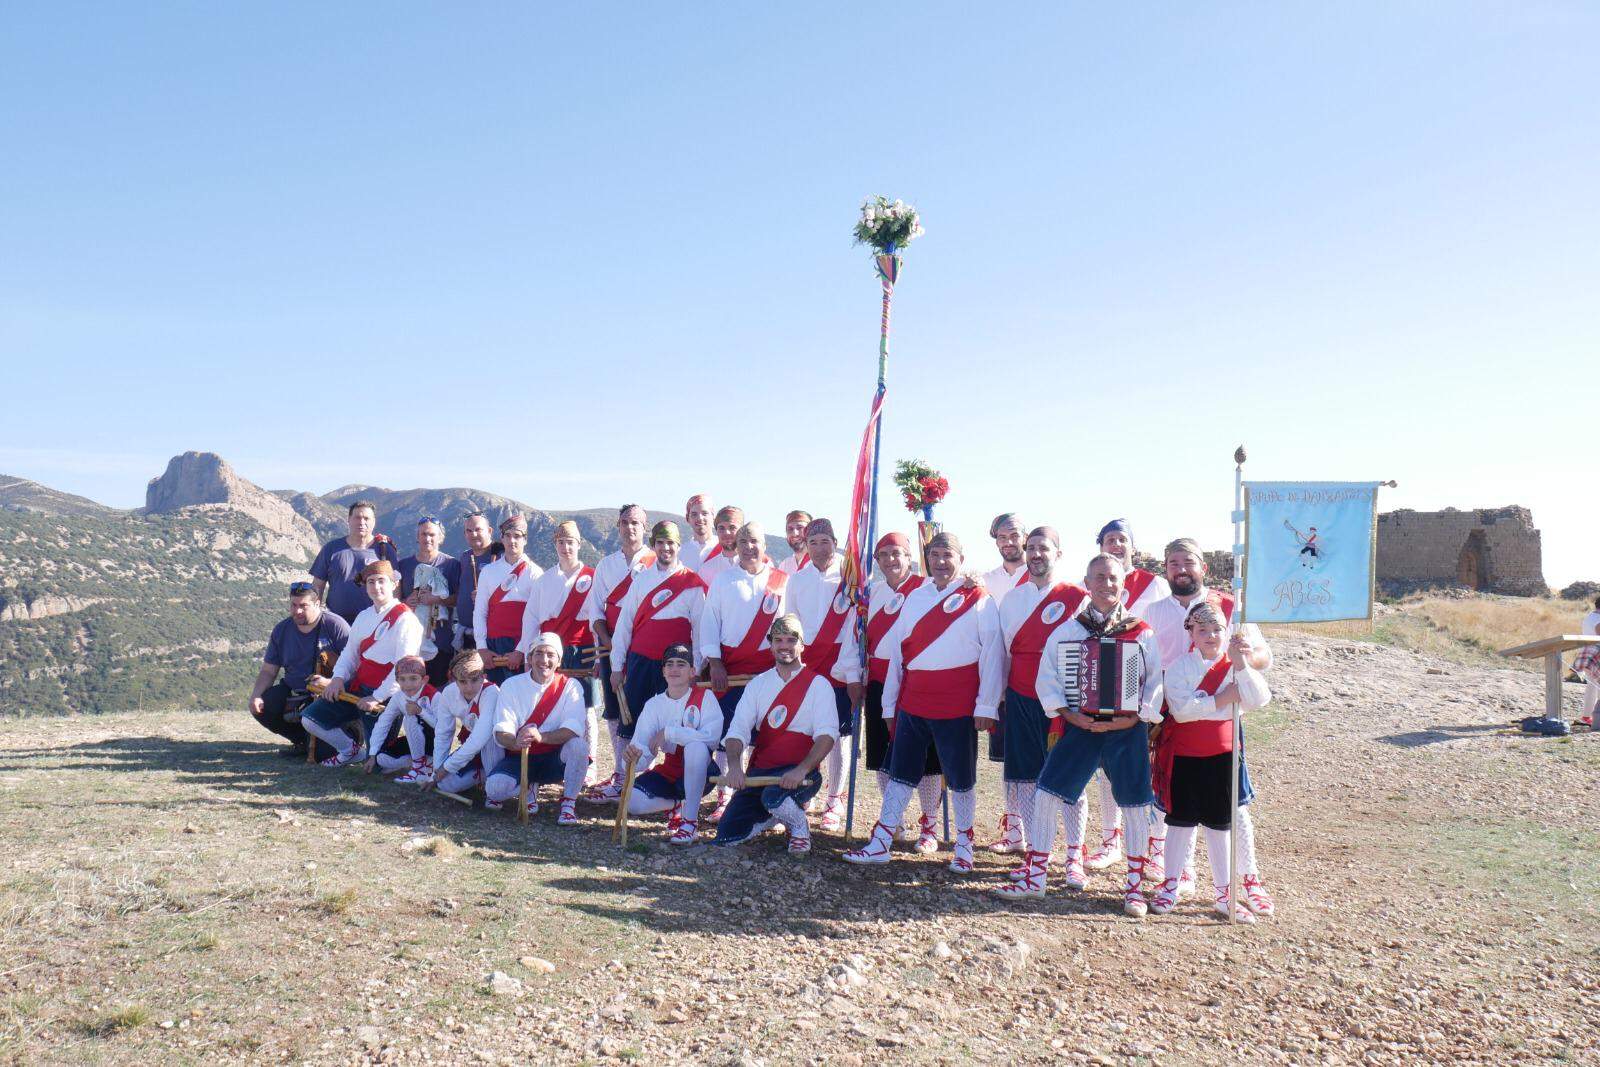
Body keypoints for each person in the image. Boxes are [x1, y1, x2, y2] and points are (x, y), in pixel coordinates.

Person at [990, 554, 1162, 915]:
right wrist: (1069, 713)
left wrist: (1134, 720)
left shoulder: (1140, 631)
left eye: (1113, 578)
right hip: (1081, 726)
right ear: (1087, 582)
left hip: (1125, 730)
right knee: (1048, 793)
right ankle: (1036, 877)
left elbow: (1154, 682)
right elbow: (1047, 678)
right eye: (1099, 577)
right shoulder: (1070, 630)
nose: (1106, 584)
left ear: (1123, 584)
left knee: (1133, 803)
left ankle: (1133, 888)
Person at [844, 532, 1003, 873]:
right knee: (900, 772)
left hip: (957, 704)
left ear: (960, 558)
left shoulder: (978, 597)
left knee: (961, 778)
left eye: (948, 554)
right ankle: (882, 841)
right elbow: (899, 656)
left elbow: (992, 655)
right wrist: (890, 705)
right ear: (926, 560)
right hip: (914, 702)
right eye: (935, 555)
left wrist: (986, 705)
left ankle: (964, 845)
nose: (941, 562)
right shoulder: (916, 597)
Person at [1142, 537, 1275, 915]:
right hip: (1178, 727)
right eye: (1173, 563)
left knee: (1232, 812)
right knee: (1177, 812)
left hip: (1224, 736)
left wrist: (1242, 661)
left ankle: (1242, 882)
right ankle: (1177, 878)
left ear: (1203, 567)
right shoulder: (1153, 611)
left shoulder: (1231, 607)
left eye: (1188, 562)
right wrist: (1216, 699)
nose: (1181, 569)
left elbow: (1261, 669)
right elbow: (1164, 683)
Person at [995, 527, 1087, 867]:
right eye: (1030, 547)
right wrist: (996, 698)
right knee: (1026, 776)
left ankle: (1075, 853)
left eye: (1043, 548)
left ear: (1058, 553)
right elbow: (1001, 653)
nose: (1036, 554)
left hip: (1064, 704)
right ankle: (1037, 852)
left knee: (1069, 775)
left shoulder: (1078, 597)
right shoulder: (1012, 599)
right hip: (1020, 697)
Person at [1084, 518, 1172, 869]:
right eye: (1109, 539)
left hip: (1147, 683)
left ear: (1132, 546)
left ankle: (1155, 846)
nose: (1116, 545)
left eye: (1122, 539)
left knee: (1148, 770)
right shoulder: (1091, 581)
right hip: (1106, 685)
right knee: (1107, 768)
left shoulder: (1155, 586)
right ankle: (1111, 839)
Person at [714, 614, 839, 855]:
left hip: (802, 773)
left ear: (802, 645)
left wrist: (801, 769)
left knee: (774, 797)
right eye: (778, 640)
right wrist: (735, 767)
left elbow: (827, 736)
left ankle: (798, 826)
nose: (784, 646)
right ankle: (775, 815)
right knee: (727, 834)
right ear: (770, 644)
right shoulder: (758, 684)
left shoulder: (819, 685)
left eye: (791, 640)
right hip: (760, 773)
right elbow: (736, 731)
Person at [698, 521, 789, 818]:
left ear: (765, 546)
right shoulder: (724, 581)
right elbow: (709, 623)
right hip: (731, 671)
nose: (750, 547)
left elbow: (789, 627)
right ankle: (725, 795)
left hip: (768, 673)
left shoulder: (781, 582)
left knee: (767, 736)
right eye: (744, 541)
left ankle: (766, 800)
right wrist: (715, 663)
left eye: (755, 541)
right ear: (735, 546)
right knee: (730, 734)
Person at [862, 532, 943, 854]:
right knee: (883, 755)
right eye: (883, 555)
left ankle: (930, 824)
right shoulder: (872, 594)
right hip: (881, 683)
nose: (890, 560)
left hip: (917, 683)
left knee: (928, 759)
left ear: (909, 557)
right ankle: (893, 820)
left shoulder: (927, 588)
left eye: (897, 553)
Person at [299, 560, 425, 767]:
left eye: (381, 581)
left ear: (393, 584)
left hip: (386, 697)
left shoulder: (407, 620)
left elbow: (403, 669)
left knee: (377, 764)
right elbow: (350, 654)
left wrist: (376, 697)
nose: (376, 587)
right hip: (358, 687)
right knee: (311, 719)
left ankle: (414, 760)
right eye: (371, 582)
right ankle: (349, 751)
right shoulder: (363, 616)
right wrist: (338, 679)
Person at [785, 518, 864, 830]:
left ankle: (836, 798)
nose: (819, 548)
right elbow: (790, 620)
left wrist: (853, 673)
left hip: (841, 665)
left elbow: (857, 626)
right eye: (813, 542)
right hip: (809, 664)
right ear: (807, 544)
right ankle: (808, 790)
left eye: (825, 542)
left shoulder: (852, 576)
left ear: (835, 542)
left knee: (840, 736)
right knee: (808, 731)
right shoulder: (798, 580)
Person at [609, 521, 708, 755]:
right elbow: (624, 624)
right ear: (653, 545)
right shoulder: (641, 580)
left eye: (671, 543)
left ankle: (673, 775)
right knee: (631, 717)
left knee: (676, 718)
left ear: (679, 546)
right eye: (660, 543)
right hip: (641, 660)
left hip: (678, 665)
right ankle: (624, 775)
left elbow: (701, 630)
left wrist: (697, 667)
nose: (666, 548)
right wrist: (616, 665)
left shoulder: (692, 583)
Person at [585, 504, 655, 799]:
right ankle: (618, 770)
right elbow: (595, 609)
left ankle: (642, 773)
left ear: (645, 527)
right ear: (618, 526)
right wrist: (607, 641)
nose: (630, 528)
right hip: (610, 646)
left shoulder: (655, 562)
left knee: (642, 709)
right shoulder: (606, 565)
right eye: (625, 522)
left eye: (636, 522)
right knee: (614, 711)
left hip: (642, 648)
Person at [484, 633, 590, 822]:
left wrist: (542, 737)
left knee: (579, 746)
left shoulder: (571, 686)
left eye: (551, 655)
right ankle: (528, 786)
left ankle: (568, 803)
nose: (544, 660)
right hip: (520, 756)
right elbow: (501, 729)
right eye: (538, 653)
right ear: (529, 658)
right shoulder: (512, 685)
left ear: (559, 661)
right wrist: (515, 742)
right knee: (495, 789)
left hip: (553, 758)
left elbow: (573, 728)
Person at [624, 643, 724, 844]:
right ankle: (676, 804)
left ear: (692, 671)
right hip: (669, 772)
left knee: (695, 748)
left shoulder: (705, 697)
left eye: (681, 664)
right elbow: (643, 745)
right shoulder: (654, 704)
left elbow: (711, 738)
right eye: (669, 664)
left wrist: (670, 733)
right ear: (663, 671)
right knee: (631, 802)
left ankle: (689, 823)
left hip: (702, 771)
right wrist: (633, 757)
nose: (674, 669)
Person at [248, 581, 351, 757]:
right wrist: (256, 695)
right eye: (293, 605)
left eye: (303, 606)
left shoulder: (335, 626)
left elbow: (354, 664)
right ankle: (302, 740)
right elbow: (268, 671)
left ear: (317, 604)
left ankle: (340, 737)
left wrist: (332, 682)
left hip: (328, 693)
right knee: (264, 706)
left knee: (324, 755)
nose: (297, 611)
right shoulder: (282, 630)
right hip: (294, 691)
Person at [472, 514, 543, 685]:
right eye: (508, 536)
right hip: (492, 648)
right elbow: (480, 610)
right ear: (502, 539)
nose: (512, 541)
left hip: (523, 646)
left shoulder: (536, 573)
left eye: (517, 536)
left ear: (525, 540)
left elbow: (537, 618)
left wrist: (521, 650)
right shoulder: (488, 571)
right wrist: (482, 647)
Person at [426, 650, 503, 802]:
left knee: (489, 739)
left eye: (474, 680)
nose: (469, 687)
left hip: (498, 748)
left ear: (483, 676)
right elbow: (443, 733)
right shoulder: (448, 693)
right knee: (444, 784)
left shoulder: (491, 692)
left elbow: (480, 738)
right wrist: (437, 771)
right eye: (462, 681)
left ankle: (493, 782)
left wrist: (447, 768)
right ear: (454, 680)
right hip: (471, 749)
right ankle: (481, 775)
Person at [310, 500, 398, 624]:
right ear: (349, 520)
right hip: (335, 623)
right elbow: (317, 586)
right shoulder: (331, 549)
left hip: (375, 623)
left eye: (366, 518)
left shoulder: (385, 549)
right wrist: (314, 616)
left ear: (374, 522)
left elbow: (396, 587)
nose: (362, 522)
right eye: (357, 517)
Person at [399, 516, 462, 687]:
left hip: (441, 640)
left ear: (440, 538)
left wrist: (437, 600)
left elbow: (459, 599)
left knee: (437, 689)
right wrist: (407, 602)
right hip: (410, 641)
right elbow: (395, 601)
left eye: (432, 535)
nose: (428, 539)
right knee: (410, 689)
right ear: (417, 537)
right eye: (424, 534)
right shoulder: (403, 565)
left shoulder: (451, 565)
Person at [363, 655, 438, 780]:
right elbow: (383, 723)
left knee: (410, 717)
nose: (408, 684)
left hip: (435, 742)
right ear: (397, 681)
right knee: (381, 759)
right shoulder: (398, 697)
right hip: (416, 741)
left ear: (424, 680)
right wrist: (372, 754)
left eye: (413, 679)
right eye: (402, 679)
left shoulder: (435, 696)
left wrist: (420, 711)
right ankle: (424, 764)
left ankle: (420, 768)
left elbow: (443, 728)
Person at [454, 512, 498, 651]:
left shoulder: (501, 555)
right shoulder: (465, 557)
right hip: (466, 634)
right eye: (469, 531)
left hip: (490, 635)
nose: (473, 534)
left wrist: (487, 596)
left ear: (489, 531)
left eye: (478, 529)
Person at [981, 513, 1029, 606]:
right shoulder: (986, 581)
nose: (1008, 542)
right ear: (997, 542)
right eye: (1002, 537)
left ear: (1025, 538)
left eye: (1014, 536)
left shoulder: (1038, 576)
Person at [696, 505, 744, 585]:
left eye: (732, 527)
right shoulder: (706, 570)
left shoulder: (755, 566)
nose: (726, 533)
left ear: (742, 530)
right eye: (721, 528)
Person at [678, 494, 717, 572]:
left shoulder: (724, 548)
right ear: (687, 518)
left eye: (704, 513)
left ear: (713, 516)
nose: (699, 518)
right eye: (694, 514)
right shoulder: (680, 553)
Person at [1580, 596, 1600, 726]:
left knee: (1592, 686)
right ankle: (1592, 716)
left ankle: (1587, 716)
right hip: (1596, 654)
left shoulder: (1590, 617)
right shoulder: (1598, 619)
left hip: (1588, 653)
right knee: (1595, 686)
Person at [777, 510, 813, 575]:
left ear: (810, 531)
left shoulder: (820, 561)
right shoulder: (784, 566)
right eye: (790, 529)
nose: (795, 534)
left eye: (800, 528)